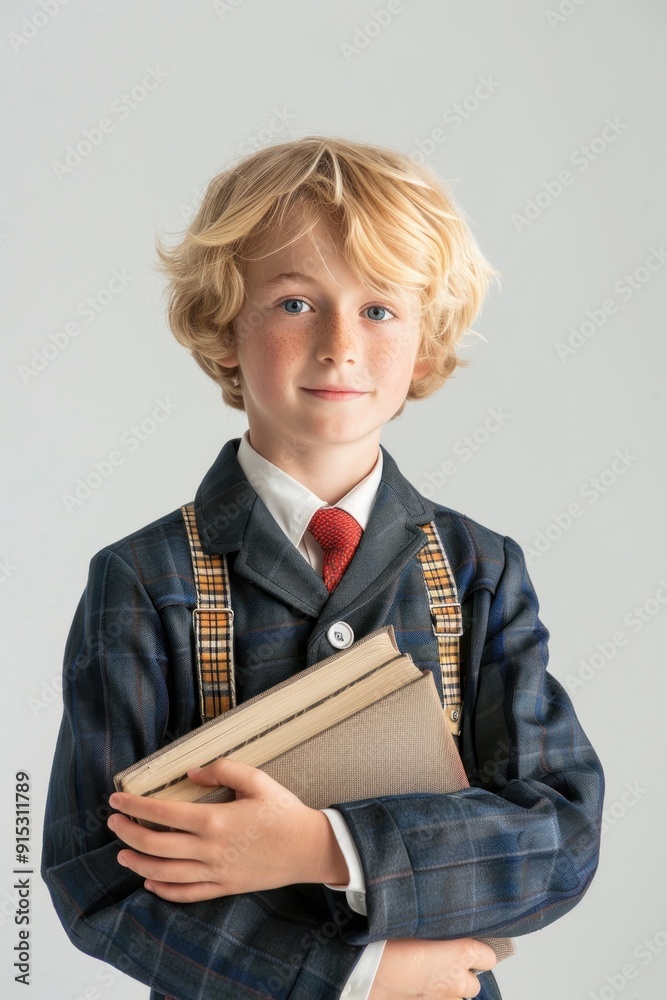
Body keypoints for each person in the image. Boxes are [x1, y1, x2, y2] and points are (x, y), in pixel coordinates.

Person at [41, 135, 605, 1000]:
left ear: (423, 346)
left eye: (380, 310)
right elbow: (97, 873)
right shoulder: (144, 579)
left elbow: (559, 834)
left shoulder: (479, 569)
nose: (340, 343)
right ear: (226, 330)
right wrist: (355, 973)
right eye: (296, 303)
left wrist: (324, 846)